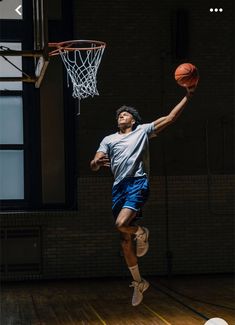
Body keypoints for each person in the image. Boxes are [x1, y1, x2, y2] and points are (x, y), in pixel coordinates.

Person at [90, 85, 196, 306]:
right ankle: (139, 282)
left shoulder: (142, 131)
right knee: (124, 240)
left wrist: (188, 95)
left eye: (125, 114)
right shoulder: (108, 139)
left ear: (133, 120)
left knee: (121, 224)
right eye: (119, 114)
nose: (121, 115)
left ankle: (142, 232)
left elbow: (170, 118)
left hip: (137, 183)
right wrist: (96, 163)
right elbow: (94, 162)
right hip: (118, 188)